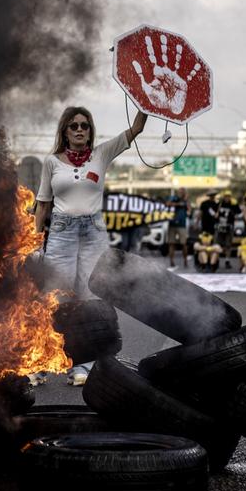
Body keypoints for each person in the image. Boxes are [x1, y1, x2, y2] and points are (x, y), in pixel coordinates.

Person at [34, 105, 147, 386]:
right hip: (60, 232)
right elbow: (43, 204)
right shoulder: (51, 162)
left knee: (87, 299)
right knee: (54, 299)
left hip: (93, 233)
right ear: (65, 131)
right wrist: (36, 241)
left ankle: (81, 366)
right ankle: (40, 362)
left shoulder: (101, 154)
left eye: (85, 125)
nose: (80, 130)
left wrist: (146, 104)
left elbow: (135, 130)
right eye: (74, 126)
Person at [166, 187, 191, 268]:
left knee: (184, 244)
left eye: (183, 191)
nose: (181, 193)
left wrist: (186, 200)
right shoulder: (173, 198)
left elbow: (189, 210)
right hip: (172, 223)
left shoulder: (186, 200)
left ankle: (185, 261)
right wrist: (178, 204)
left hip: (182, 224)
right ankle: (171, 261)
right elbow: (168, 203)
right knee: (171, 243)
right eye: (180, 191)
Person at [215, 190, 239, 270]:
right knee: (218, 243)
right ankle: (215, 260)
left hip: (229, 226)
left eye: (228, 196)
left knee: (228, 244)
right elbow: (215, 213)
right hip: (220, 225)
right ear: (223, 197)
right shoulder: (220, 204)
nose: (227, 198)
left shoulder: (233, 204)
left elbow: (238, 212)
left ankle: (227, 260)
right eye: (226, 196)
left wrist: (235, 206)